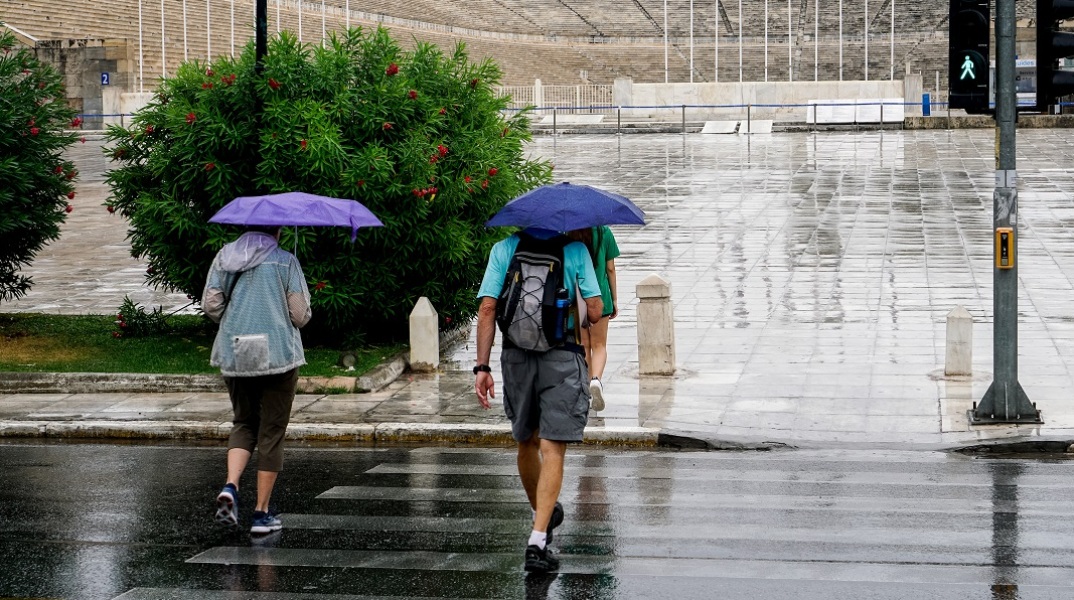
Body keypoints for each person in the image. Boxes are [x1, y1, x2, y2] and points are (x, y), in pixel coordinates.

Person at [474, 227, 602, 573]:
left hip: (515, 357)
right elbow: (594, 310)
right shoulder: (575, 250)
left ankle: (541, 513)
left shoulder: (504, 248)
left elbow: (488, 309)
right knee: (553, 446)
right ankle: (538, 538)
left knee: (526, 441)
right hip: (562, 357)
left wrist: (482, 367)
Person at [201, 225, 311, 535]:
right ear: (276, 231)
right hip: (278, 354)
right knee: (272, 431)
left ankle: (231, 485)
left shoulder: (225, 257)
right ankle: (261, 513)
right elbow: (298, 315)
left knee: (244, 422)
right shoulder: (285, 261)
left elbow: (211, 305)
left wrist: (237, 319)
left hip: (236, 352)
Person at [567, 226, 620, 412]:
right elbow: (610, 269)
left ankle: (586, 388)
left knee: (584, 345)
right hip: (600, 297)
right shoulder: (604, 232)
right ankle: (596, 380)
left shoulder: (569, 233)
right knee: (600, 345)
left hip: (578, 297)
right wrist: (614, 299)